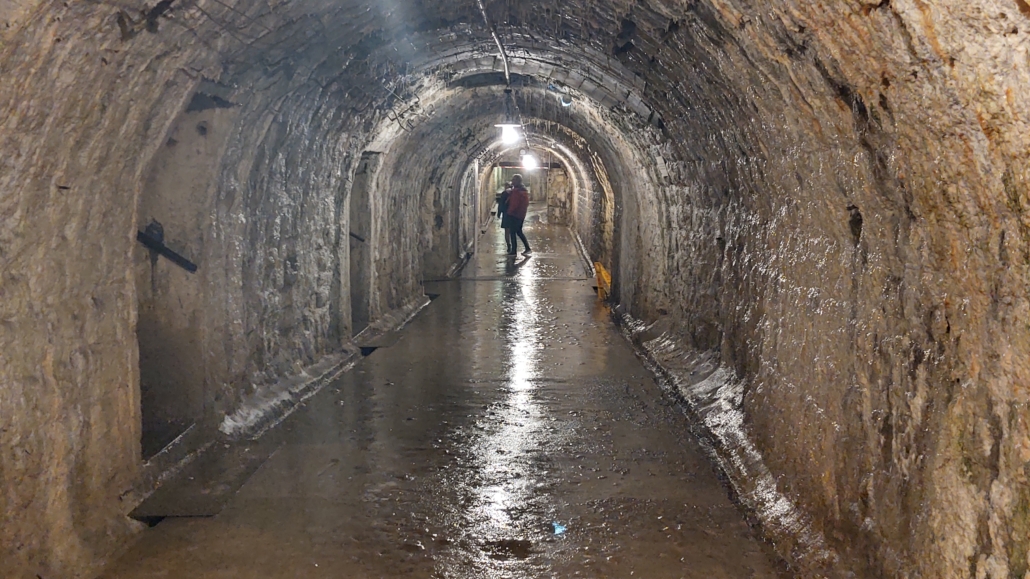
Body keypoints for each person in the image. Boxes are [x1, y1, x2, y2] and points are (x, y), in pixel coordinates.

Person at [505, 174, 531, 255]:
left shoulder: (517, 192)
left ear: (517, 181)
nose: (512, 181)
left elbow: (514, 204)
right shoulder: (522, 190)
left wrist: (509, 212)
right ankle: (527, 248)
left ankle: (514, 250)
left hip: (515, 215)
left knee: (513, 232)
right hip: (521, 215)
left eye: (513, 180)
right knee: (519, 231)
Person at [497, 182, 515, 254]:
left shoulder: (504, 193)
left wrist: (499, 213)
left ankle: (509, 246)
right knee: (513, 232)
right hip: (514, 215)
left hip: (506, 214)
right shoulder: (514, 193)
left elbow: (501, 204)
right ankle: (514, 247)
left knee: (507, 232)